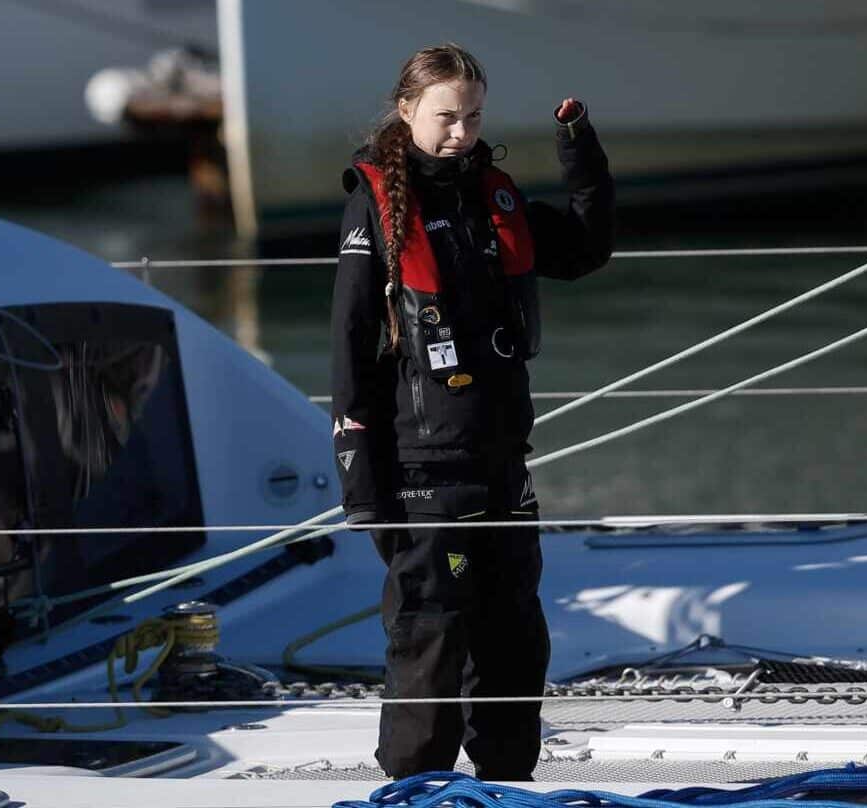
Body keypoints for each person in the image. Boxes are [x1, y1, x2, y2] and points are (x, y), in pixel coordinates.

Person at [329, 43, 614, 780]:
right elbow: (352, 349)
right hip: (423, 470)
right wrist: (361, 487)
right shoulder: (375, 208)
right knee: (431, 635)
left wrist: (578, 148)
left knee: (516, 632)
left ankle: (507, 785)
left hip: (501, 463)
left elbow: (585, 248)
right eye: (446, 117)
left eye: (474, 116)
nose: (461, 131)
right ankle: (415, 788)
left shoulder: (494, 195)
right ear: (407, 111)